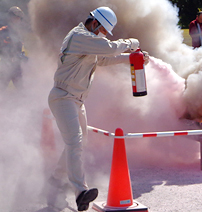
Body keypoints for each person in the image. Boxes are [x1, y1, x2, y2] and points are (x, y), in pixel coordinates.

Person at [47, 6, 149, 211]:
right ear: (94, 23)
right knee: (75, 142)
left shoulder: (87, 41)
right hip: (63, 97)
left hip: (75, 99)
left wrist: (131, 58)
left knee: (77, 142)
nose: (103, 35)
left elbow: (102, 59)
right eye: (103, 31)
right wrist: (132, 44)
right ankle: (80, 193)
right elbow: (110, 49)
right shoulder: (79, 36)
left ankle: (55, 182)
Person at [0, 6, 27, 92]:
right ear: (10, 18)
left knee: (21, 90)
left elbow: (19, 49)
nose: (18, 20)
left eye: (19, 18)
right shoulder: (3, 31)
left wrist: (22, 56)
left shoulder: (18, 33)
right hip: (6, 66)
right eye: (16, 18)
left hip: (16, 67)